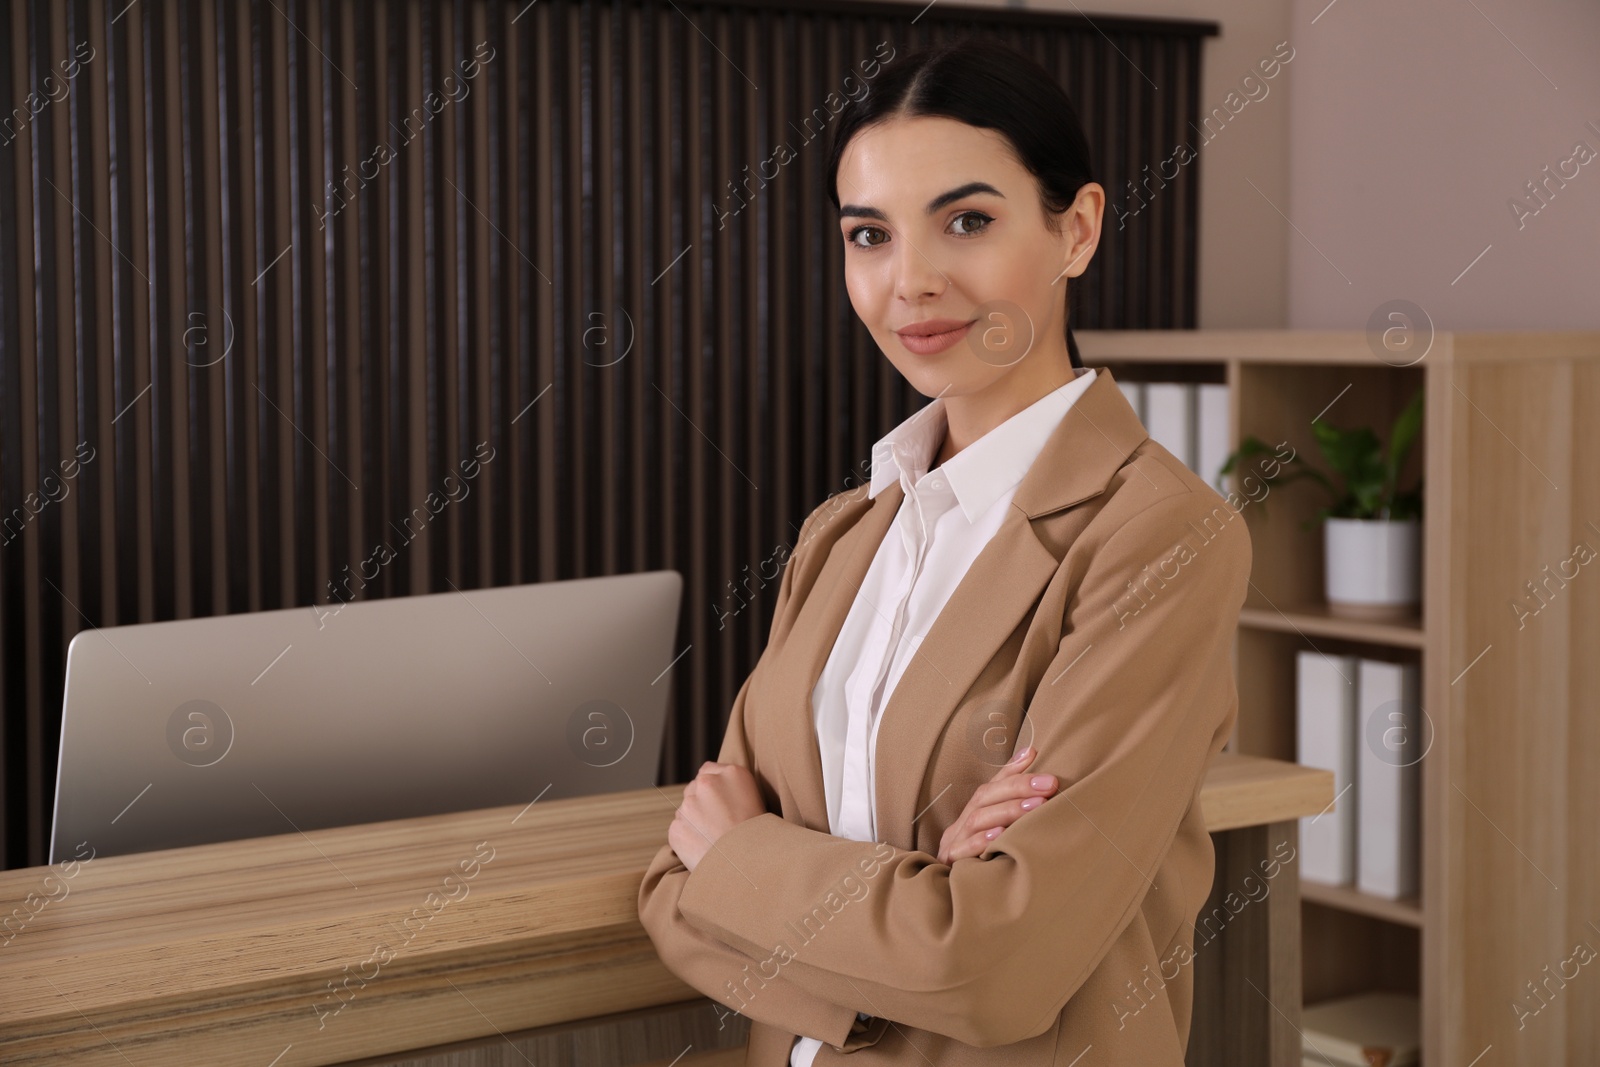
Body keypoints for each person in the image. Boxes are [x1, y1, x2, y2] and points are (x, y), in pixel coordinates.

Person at [638, 34, 1251, 1067]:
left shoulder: (1157, 535)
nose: (909, 281)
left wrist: (753, 863)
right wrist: (921, 888)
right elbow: (671, 894)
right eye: (868, 235)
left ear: (1077, 230)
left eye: (966, 221)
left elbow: (998, 961)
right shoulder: (841, 535)